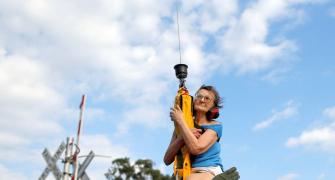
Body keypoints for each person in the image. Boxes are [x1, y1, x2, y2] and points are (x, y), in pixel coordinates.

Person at [164, 85, 224, 180]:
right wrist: (182, 137)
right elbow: (167, 159)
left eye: (207, 98)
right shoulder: (181, 127)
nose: (202, 100)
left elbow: (196, 148)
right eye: (199, 96)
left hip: (208, 170)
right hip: (186, 170)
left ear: (213, 107)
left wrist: (180, 120)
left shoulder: (215, 126)